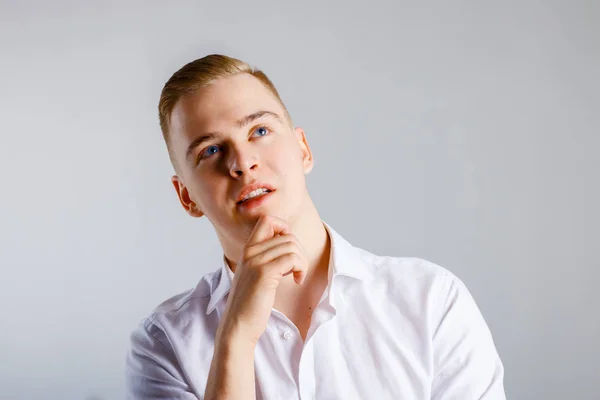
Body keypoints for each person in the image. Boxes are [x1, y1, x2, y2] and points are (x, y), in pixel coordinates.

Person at [125, 54, 506, 400]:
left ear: (303, 149)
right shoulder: (163, 345)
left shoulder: (431, 301)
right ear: (186, 197)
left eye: (259, 130)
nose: (242, 162)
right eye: (210, 150)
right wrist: (236, 337)